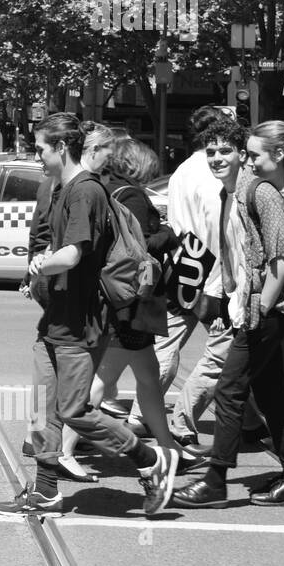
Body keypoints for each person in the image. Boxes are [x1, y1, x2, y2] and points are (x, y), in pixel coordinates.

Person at [0, 113, 177, 518]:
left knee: (75, 410)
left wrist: (43, 265)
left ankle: (149, 460)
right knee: (44, 408)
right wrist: (40, 262)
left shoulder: (85, 192)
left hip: (81, 322)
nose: (36, 156)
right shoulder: (59, 188)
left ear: (61, 148)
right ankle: (45, 492)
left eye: (40, 148)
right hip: (56, 318)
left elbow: (75, 253)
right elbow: (49, 239)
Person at [175, 121, 284, 509]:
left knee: (268, 391)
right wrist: (224, 299)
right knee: (278, 391)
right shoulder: (235, 195)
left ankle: (222, 478)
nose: (222, 158)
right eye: (212, 152)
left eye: (245, 153)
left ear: (274, 154)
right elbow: (235, 255)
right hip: (266, 305)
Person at [57, 135, 181, 481]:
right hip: (132, 303)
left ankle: (170, 449)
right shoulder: (135, 197)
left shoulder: (112, 191)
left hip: (127, 303)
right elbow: (139, 247)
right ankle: (63, 451)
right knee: (102, 380)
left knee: (147, 378)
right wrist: (168, 235)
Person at [154, 106, 236, 452]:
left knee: (168, 340)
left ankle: (143, 411)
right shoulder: (212, 173)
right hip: (210, 265)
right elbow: (217, 227)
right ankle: (181, 421)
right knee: (225, 347)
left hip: (183, 259)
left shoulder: (181, 172)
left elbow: (175, 219)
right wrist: (218, 285)